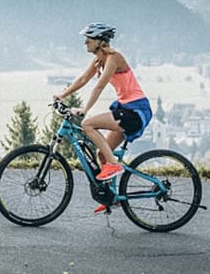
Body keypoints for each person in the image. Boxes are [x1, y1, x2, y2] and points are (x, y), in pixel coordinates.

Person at [53, 22, 153, 192]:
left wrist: (85, 110)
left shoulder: (114, 58)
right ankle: (111, 196)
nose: (85, 42)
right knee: (102, 154)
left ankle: (114, 165)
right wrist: (62, 95)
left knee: (87, 124)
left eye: (88, 39)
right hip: (125, 109)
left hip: (136, 111)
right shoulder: (99, 59)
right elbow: (83, 79)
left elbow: (99, 86)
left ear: (99, 41)